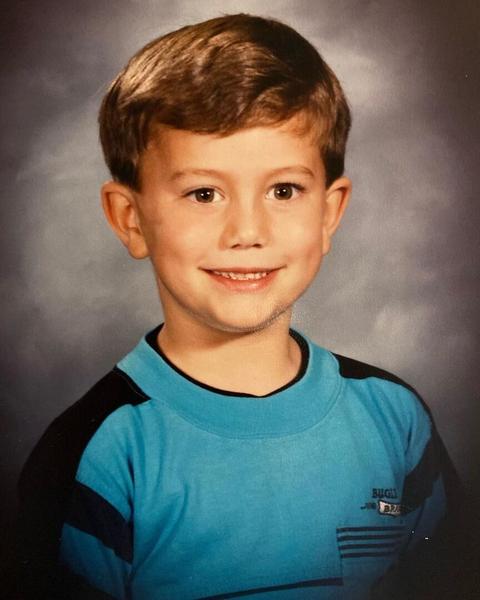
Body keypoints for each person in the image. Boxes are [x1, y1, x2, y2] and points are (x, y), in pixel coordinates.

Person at [12, 13, 470, 600]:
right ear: (131, 220)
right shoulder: (99, 454)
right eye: (204, 193)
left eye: (283, 190)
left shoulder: (395, 420)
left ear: (329, 213)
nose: (247, 232)